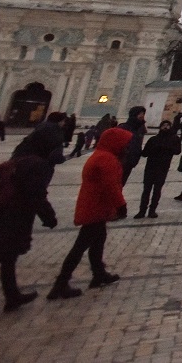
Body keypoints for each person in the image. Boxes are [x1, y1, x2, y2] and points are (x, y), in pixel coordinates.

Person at [0, 124, 61, 323]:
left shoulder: (20, 156)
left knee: (8, 257)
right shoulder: (36, 164)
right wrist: (49, 217)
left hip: (1, 215)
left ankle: (12, 296)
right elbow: (35, 194)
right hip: (13, 217)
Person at [47, 126, 130, 300]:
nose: (126, 147)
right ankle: (61, 284)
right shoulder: (105, 159)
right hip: (96, 208)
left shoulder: (102, 155)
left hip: (95, 206)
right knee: (80, 246)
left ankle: (99, 274)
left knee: (98, 241)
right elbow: (111, 186)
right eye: (124, 144)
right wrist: (121, 205)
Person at [134, 120, 182, 218]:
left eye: (167, 125)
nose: (165, 127)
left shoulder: (174, 139)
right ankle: (142, 210)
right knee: (146, 190)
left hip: (163, 167)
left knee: (157, 190)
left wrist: (165, 148)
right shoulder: (153, 139)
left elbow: (177, 151)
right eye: (163, 125)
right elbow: (145, 153)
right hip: (151, 166)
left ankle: (152, 210)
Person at [117, 106, 147, 185]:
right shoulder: (123, 127)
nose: (142, 116)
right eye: (140, 113)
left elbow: (138, 144)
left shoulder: (140, 129)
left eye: (143, 114)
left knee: (121, 184)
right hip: (120, 162)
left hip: (130, 162)